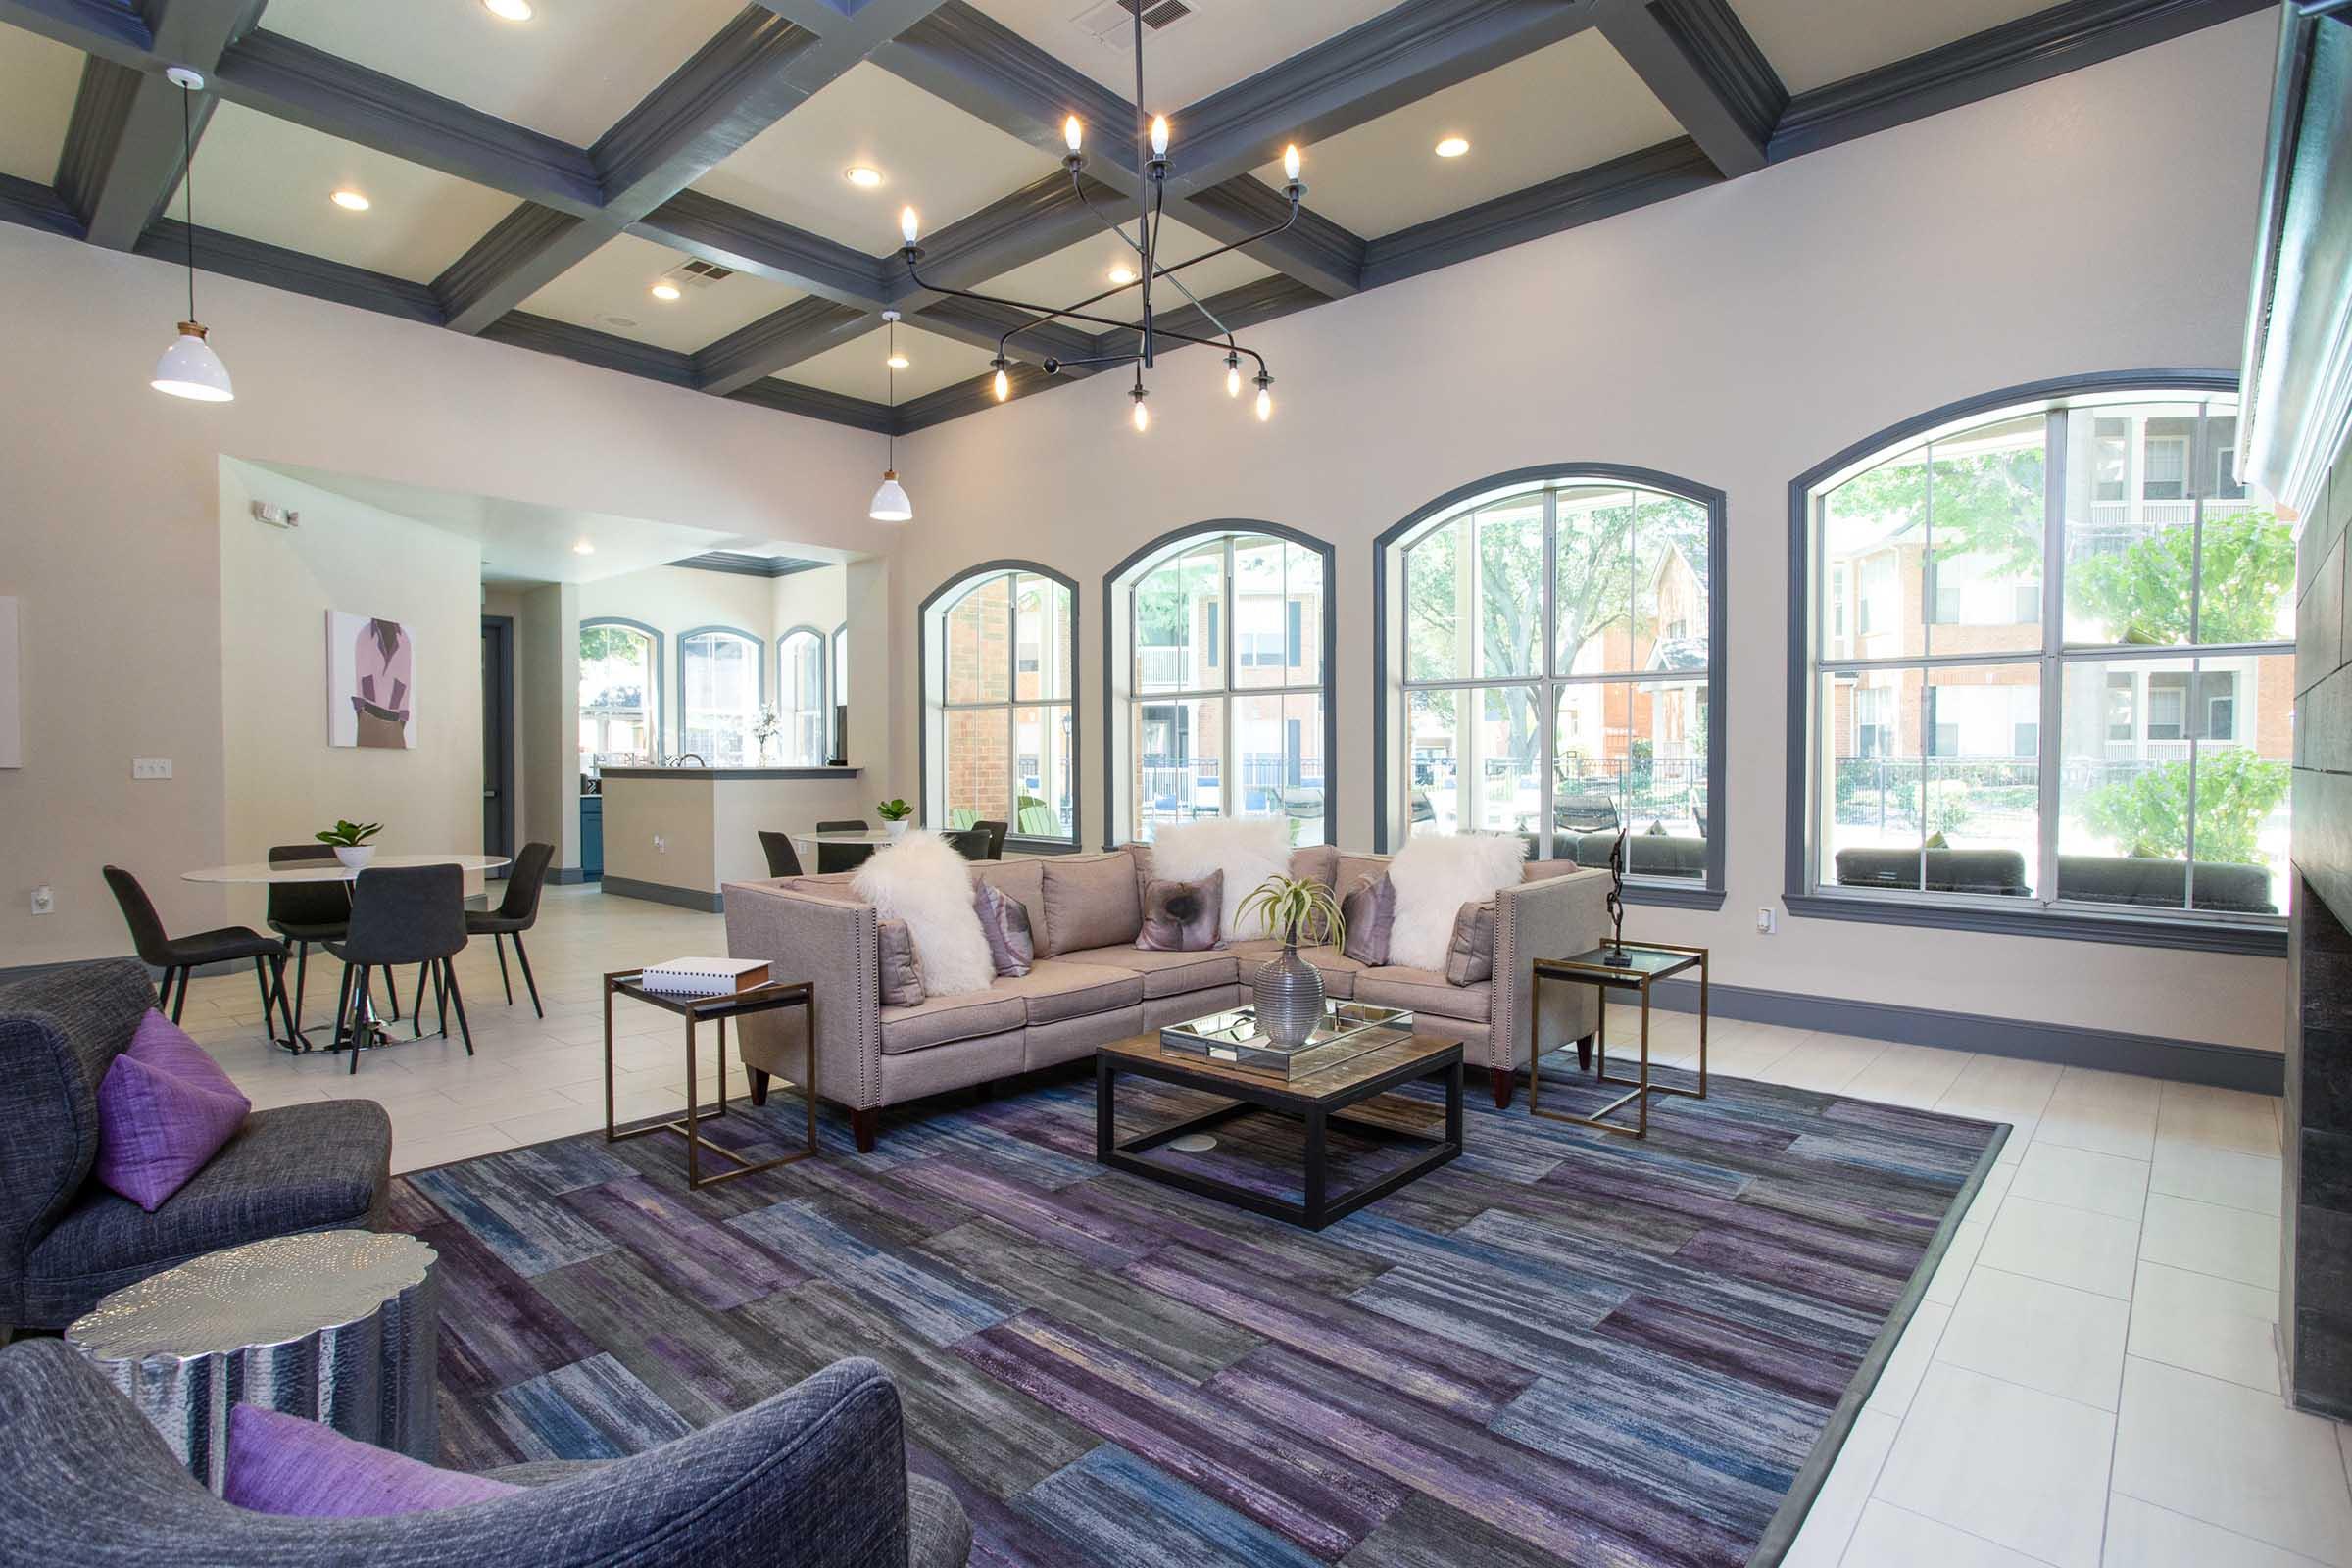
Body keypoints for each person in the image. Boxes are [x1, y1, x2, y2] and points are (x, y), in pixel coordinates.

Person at [351, 617, 412, 748]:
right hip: (369, 715)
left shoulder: (404, 639)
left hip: (394, 720)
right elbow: (360, 679)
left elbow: (406, 681)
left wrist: (402, 718)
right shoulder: (365, 635)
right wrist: (362, 715)